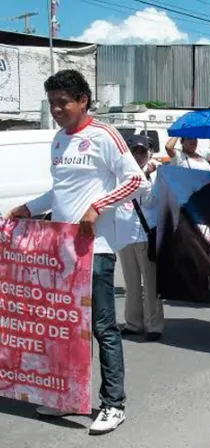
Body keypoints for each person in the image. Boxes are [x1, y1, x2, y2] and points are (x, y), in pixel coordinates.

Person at [8, 69, 151, 434]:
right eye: (52, 103)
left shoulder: (104, 136)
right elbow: (59, 193)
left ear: (83, 100)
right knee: (67, 329)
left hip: (96, 250)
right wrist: (28, 207)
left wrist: (97, 206)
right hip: (62, 249)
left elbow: (136, 180)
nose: (56, 109)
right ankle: (67, 397)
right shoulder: (58, 140)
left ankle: (113, 403)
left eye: (63, 102)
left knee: (103, 328)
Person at [115, 135, 163, 342]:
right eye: (134, 151)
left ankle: (154, 324)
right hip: (125, 235)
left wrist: (145, 175)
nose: (138, 155)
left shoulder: (154, 176)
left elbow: (151, 202)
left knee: (151, 283)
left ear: (149, 153)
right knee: (131, 282)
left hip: (144, 234)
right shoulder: (120, 174)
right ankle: (133, 323)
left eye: (142, 151)